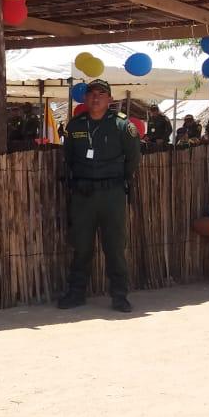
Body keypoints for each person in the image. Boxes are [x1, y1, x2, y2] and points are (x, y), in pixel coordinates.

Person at [58, 79, 141, 312]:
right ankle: (76, 292)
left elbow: (133, 158)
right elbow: (69, 157)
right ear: (85, 98)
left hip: (111, 194)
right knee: (81, 245)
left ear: (110, 99)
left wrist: (117, 179)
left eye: (101, 94)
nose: (96, 98)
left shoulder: (122, 126)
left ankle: (120, 295)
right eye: (92, 94)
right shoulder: (75, 125)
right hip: (83, 194)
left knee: (114, 246)